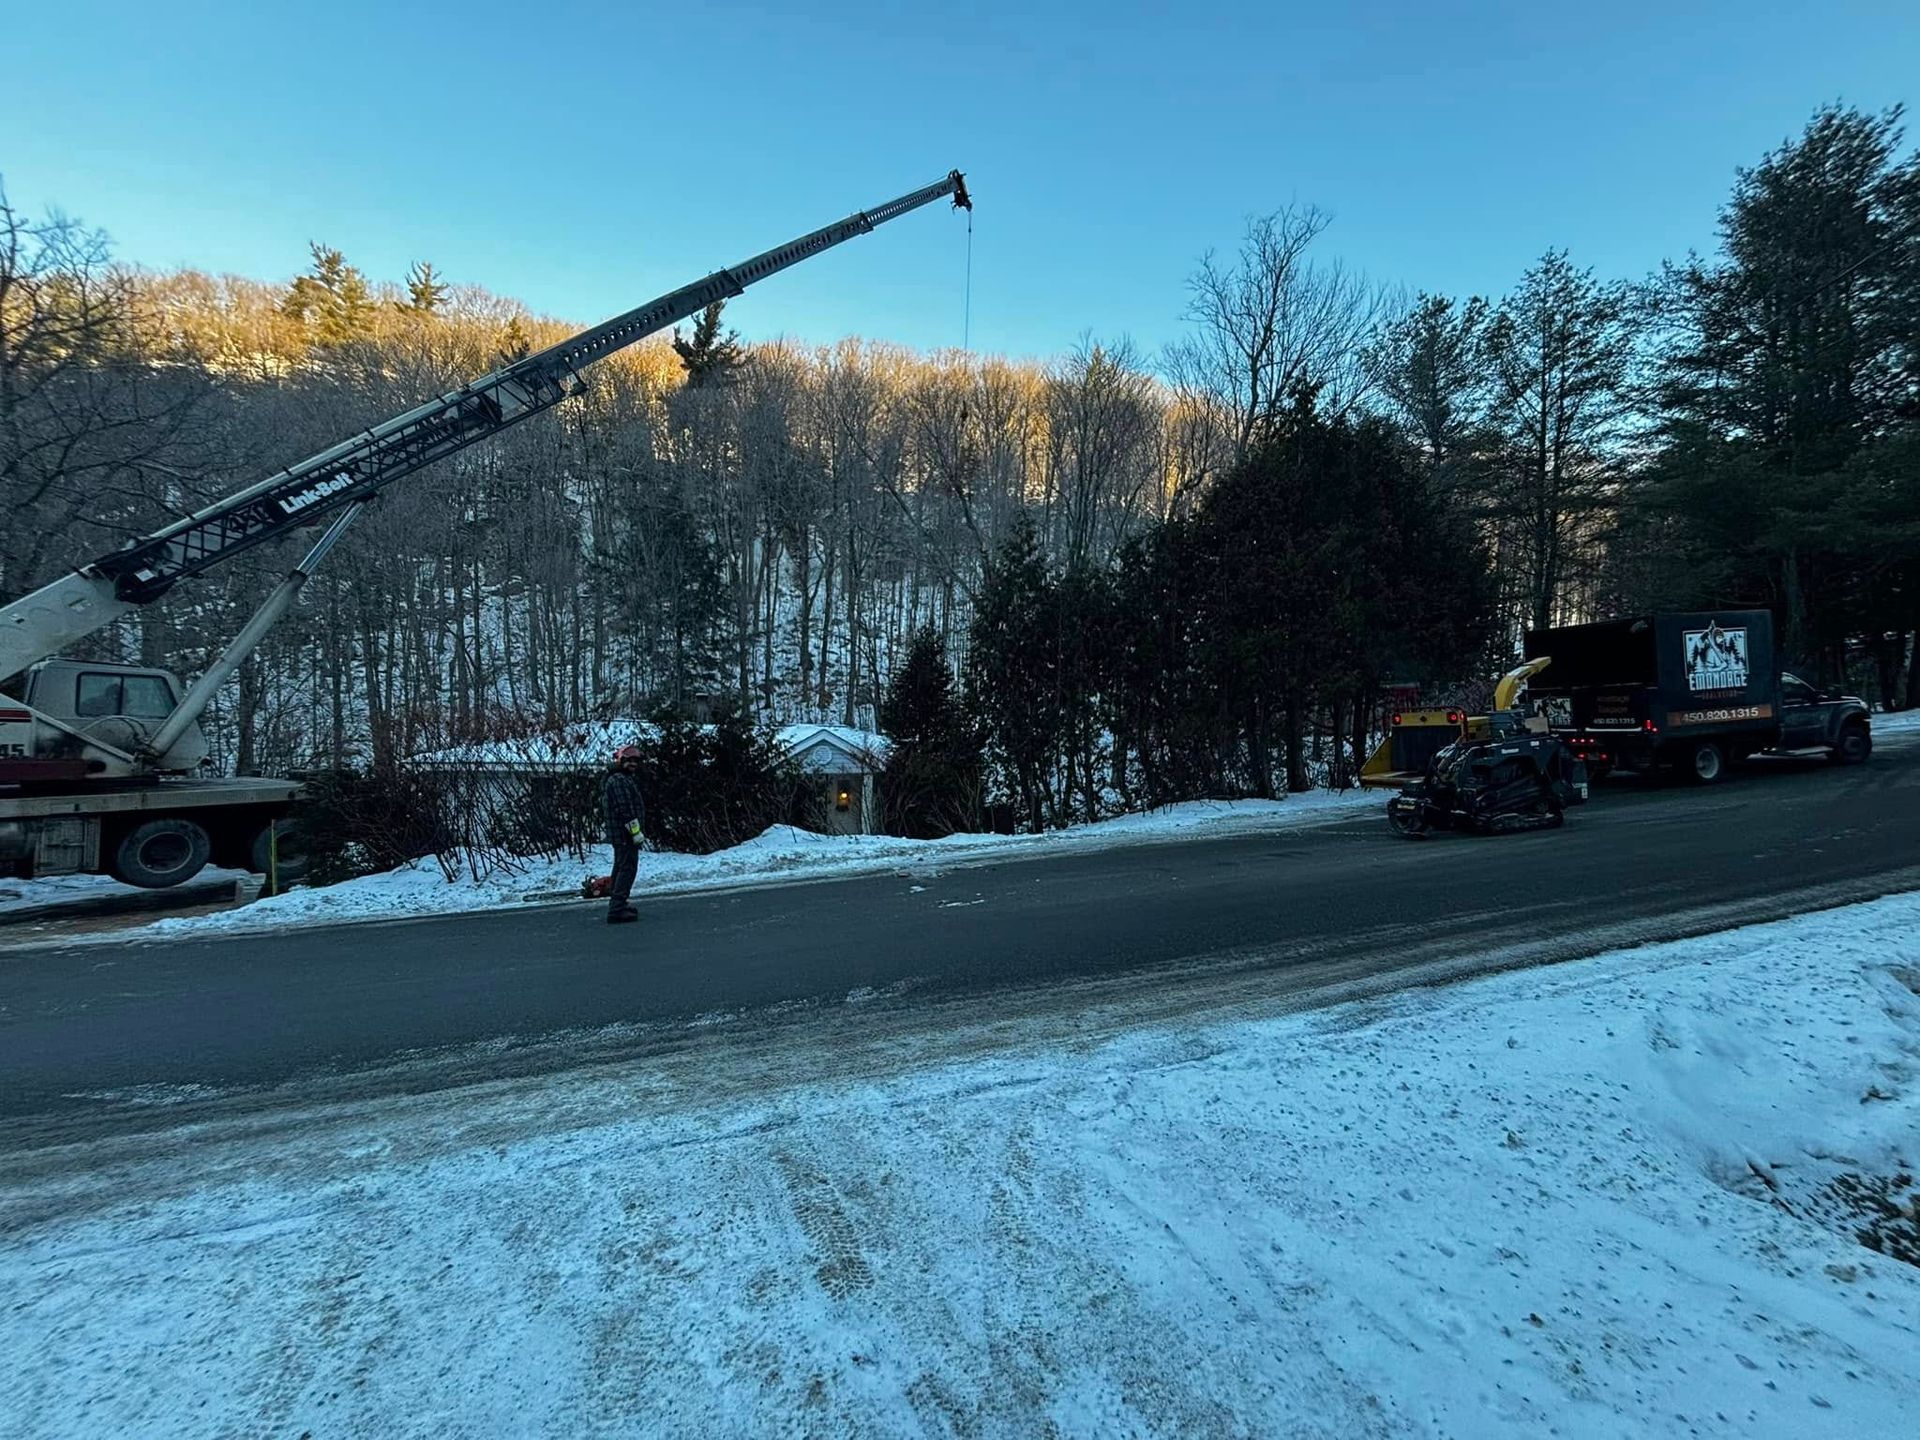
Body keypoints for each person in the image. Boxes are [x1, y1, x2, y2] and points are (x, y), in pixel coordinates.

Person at [602, 744, 645, 924]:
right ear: (621, 761)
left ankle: (619, 903)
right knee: (627, 869)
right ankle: (617, 908)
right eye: (629, 761)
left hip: (621, 833)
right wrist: (635, 832)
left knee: (620, 867)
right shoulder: (619, 780)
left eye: (636, 761)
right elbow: (625, 809)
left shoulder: (620, 778)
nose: (633, 764)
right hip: (624, 834)